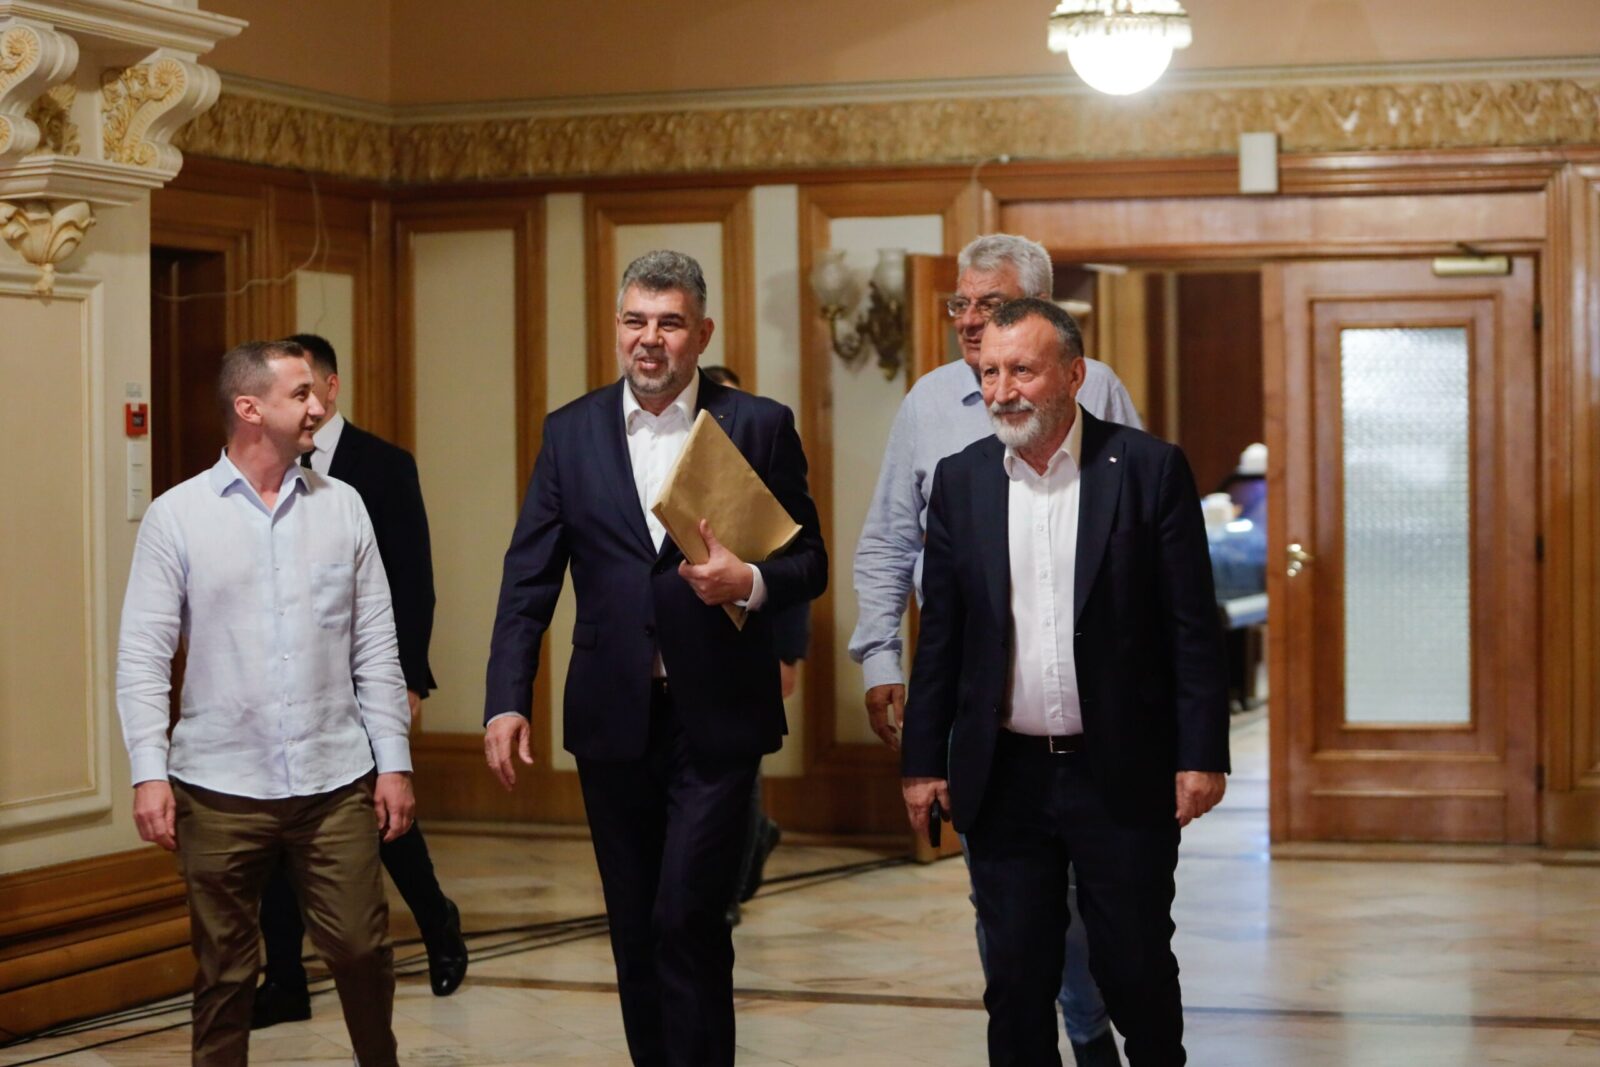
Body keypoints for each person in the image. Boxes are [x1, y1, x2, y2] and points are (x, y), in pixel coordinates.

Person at [482, 251, 827, 1066]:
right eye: (635, 320)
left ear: (701, 333)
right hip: (612, 715)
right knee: (636, 927)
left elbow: (808, 560)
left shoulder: (758, 424)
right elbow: (529, 578)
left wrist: (749, 582)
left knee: (687, 916)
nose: (650, 338)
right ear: (617, 328)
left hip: (718, 717)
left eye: (670, 323)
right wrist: (506, 698)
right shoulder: (570, 431)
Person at [900, 298, 1230, 1066]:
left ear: (1074, 375)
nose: (1002, 390)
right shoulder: (961, 480)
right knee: (1016, 981)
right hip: (1004, 774)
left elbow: (1191, 626)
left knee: (1135, 968)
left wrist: (1201, 752)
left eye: (1022, 370)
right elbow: (942, 635)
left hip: (1120, 770)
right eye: (989, 372)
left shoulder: (1148, 469)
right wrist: (921, 761)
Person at [849, 232, 1137, 1065]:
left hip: (1081, 691)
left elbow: (1139, 528)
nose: (971, 321)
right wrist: (881, 657)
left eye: (993, 303)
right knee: (1002, 899)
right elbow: (889, 539)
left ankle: (1088, 1024)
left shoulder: (1095, 387)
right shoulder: (928, 403)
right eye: (961, 304)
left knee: (1079, 896)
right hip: (973, 692)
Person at [115, 339, 414, 1067]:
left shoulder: (344, 507)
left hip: (334, 780)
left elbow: (376, 646)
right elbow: (143, 655)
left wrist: (394, 763)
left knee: (362, 948)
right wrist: (148, 772)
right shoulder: (177, 516)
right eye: (301, 394)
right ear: (249, 408)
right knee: (224, 970)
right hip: (218, 786)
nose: (318, 407)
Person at [251, 334, 467, 1030]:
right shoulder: (265, 466)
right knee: (279, 825)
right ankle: (285, 978)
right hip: (290, 680)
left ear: (331, 386)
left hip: (369, 677)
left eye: (307, 387)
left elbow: (413, 580)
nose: (302, 404)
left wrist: (410, 679)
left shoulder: (384, 465)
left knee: (383, 813)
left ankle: (437, 922)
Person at [700, 364, 796, 927]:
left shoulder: (764, 458)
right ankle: (754, 842)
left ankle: (732, 888)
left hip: (752, 648)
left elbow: (793, 555)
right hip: (690, 654)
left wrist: (789, 653)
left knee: (745, 772)